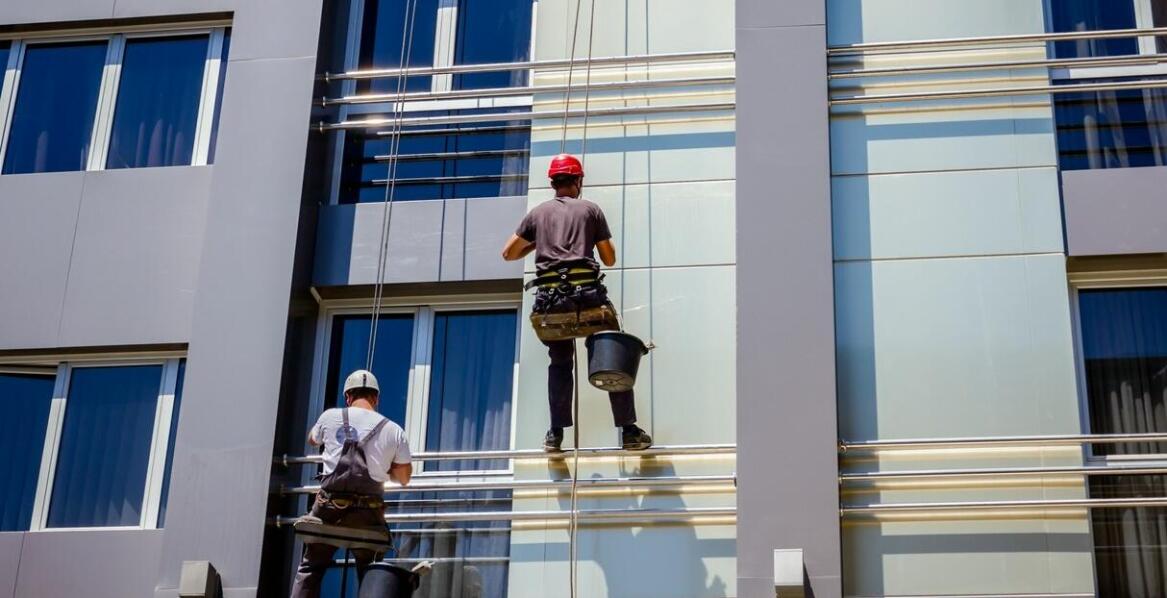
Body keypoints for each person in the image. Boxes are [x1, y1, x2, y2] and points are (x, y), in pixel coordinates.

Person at [501, 153, 653, 452]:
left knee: (559, 363)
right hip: (588, 300)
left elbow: (508, 253)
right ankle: (629, 431)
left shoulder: (537, 214)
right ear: (578, 180)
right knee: (610, 351)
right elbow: (609, 258)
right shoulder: (590, 210)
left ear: (552, 182)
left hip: (550, 305)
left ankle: (555, 434)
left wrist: (539, 241)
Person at [290, 369, 412, 598]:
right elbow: (404, 478)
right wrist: (386, 467)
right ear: (376, 398)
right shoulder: (394, 430)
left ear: (347, 397)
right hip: (368, 516)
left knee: (310, 567)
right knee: (371, 573)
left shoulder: (329, 417)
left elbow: (312, 439)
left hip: (328, 511)